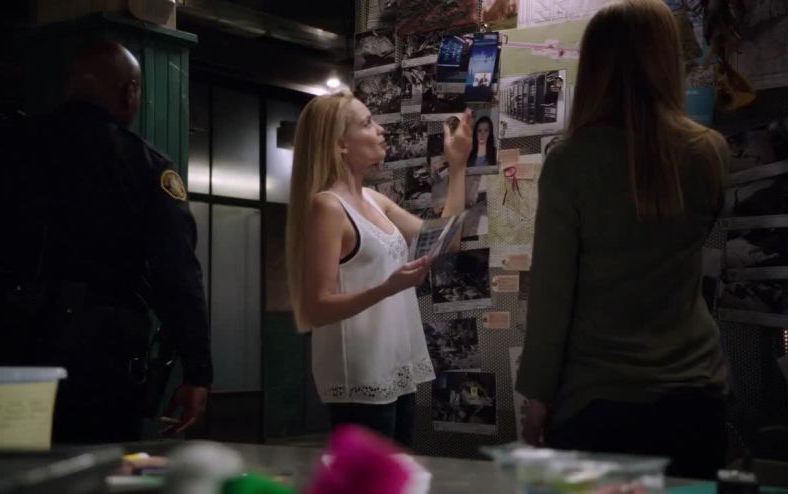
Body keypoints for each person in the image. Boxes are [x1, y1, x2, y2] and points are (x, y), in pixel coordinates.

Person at [516, 0, 730, 480]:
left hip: (598, 397)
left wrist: (538, 397)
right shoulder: (709, 152)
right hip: (695, 392)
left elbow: (552, 295)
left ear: (595, 66)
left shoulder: (571, 161)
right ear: (666, 58)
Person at [0, 41, 212, 443]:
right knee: (96, 467)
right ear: (130, 92)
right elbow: (177, 276)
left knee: (8, 462)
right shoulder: (143, 165)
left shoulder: (3, 147)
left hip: (6, 349)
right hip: (99, 360)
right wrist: (198, 371)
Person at [286, 90, 472, 448]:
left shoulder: (374, 200)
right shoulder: (328, 207)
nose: (381, 130)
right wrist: (388, 287)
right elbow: (317, 308)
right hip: (360, 375)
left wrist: (458, 166)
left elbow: (446, 240)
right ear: (341, 144)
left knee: (396, 471)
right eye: (368, 123)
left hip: (393, 367)